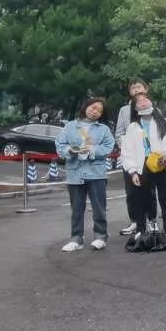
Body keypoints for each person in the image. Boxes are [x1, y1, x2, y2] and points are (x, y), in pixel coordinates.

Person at [120, 92, 166, 236]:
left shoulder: (163, 122)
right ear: (135, 108)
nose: (143, 103)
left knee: (165, 197)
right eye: (139, 102)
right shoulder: (133, 126)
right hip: (141, 165)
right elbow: (127, 151)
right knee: (141, 198)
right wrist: (132, 171)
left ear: (151, 102)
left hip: (161, 162)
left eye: (146, 100)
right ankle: (141, 230)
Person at [57, 98, 116, 252]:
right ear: (86, 107)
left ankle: (101, 236)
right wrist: (69, 150)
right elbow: (60, 145)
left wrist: (92, 150)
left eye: (99, 111)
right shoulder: (70, 126)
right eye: (93, 107)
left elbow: (109, 146)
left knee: (99, 207)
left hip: (96, 173)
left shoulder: (103, 129)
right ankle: (76, 239)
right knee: (76, 208)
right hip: (75, 172)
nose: (95, 111)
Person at [115, 78, 149, 236]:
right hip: (130, 157)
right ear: (130, 92)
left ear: (146, 89)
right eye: (133, 88)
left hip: (149, 157)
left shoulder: (152, 107)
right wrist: (127, 149)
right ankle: (135, 221)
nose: (136, 90)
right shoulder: (124, 110)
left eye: (139, 87)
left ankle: (150, 220)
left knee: (149, 190)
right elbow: (119, 133)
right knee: (131, 191)